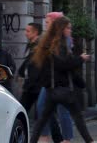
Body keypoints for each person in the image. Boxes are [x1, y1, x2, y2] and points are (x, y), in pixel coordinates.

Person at [30, 17, 97, 143]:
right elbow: (65, 65)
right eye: (68, 28)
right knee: (78, 117)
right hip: (63, 90)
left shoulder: (48, 44)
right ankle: (89, 141)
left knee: (42, 120)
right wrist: (80, 59)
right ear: (62, 29)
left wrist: (79, 81)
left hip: (51, 90)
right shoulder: (60, 45)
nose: (70, 31)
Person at [37, 12, 72, 143]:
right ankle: (44, 136)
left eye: (47, 22)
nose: (45, 25)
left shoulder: (65, 38)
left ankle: (67, 139)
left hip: (62, 81)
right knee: (42, 106)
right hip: (50, 81)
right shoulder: (49, 38)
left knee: (63, 110)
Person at [18, 23, 43, 111]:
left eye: (28, 31)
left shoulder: (40, 46)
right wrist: (21, 72)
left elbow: (37, 66)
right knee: (23, 109)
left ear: (35, 32)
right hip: (30, 85)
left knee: (44, 113)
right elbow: (28, 62)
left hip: (37, 85)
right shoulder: (30, 45)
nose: (25, 33)